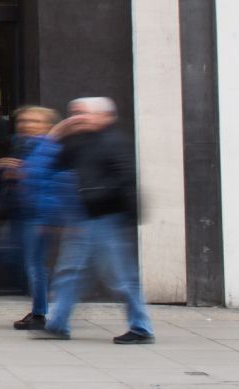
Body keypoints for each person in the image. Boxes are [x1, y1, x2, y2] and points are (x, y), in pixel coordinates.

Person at [39, 97, 154, 344]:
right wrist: (58, 132)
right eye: (75, 113)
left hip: (106, 218)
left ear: (104, 115)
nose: (78, 117)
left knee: (120, 276)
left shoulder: (115, 141)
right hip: (83, 217)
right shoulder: (79, 141)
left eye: (84, 113)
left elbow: (125, 177)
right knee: (70, 272)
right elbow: (52, 164)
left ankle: (141, 327)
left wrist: (96, 194)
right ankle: (58, 322)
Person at [0, 105, 70, 331]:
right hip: (21, 212)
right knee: (18, 260)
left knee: (35, 265)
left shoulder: (49, 148)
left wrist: (50, 217)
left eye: (34, 121)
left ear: (48, 126)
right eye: (24, 121)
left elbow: (53, 181)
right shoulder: (22, 145)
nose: (27, 125)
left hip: (36, 214)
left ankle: (40, 312)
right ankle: (45, 305)